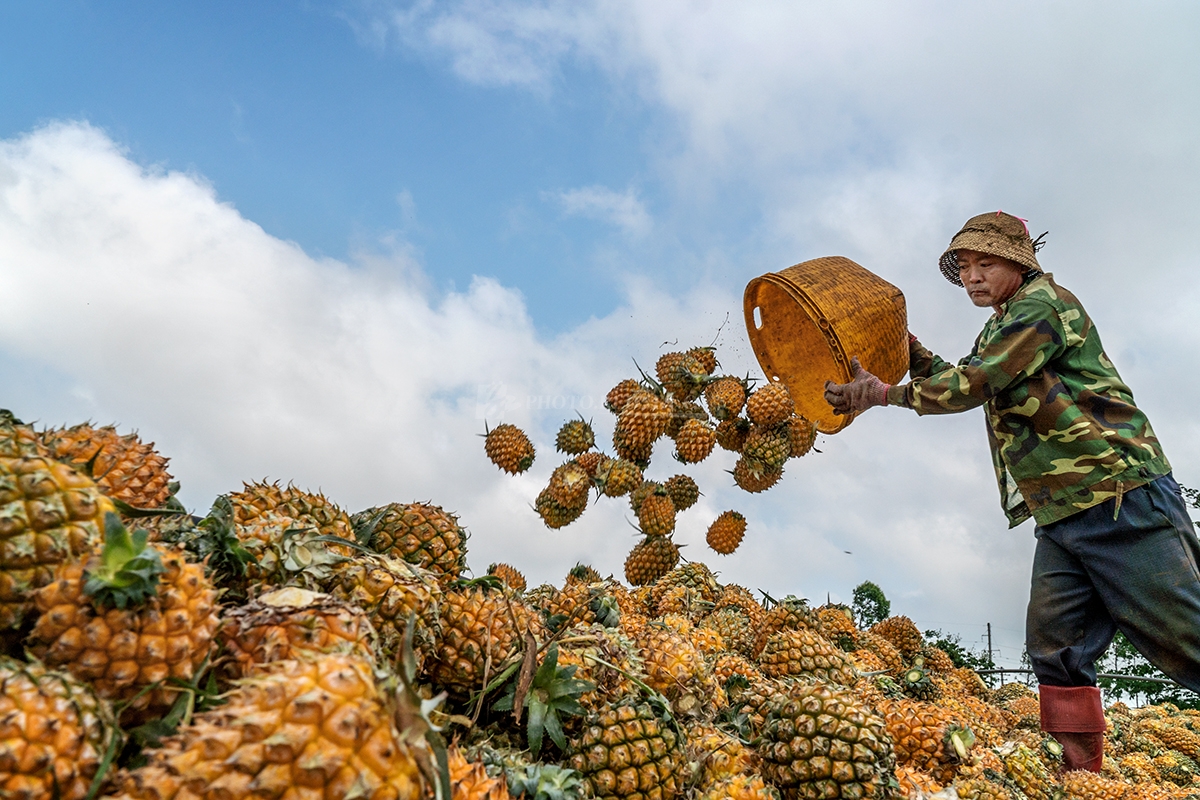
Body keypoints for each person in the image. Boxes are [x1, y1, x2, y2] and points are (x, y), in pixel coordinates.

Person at [823, 211, 1200, 773]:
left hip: (1118, 496)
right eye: (965, 268)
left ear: (1018, 262)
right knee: (1055, 649)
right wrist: (905, 348)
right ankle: (1080, 778)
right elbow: (965, 373)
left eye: (985, 264)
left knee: (1187, 639)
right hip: (1063, 513)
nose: (972, 277)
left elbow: (976, 384)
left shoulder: (1042, 308)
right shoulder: (1001, 325)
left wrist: (884, 394)